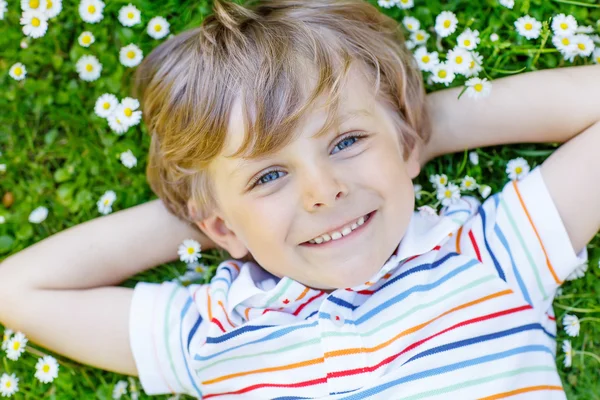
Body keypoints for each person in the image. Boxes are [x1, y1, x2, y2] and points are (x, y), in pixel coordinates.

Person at [1, 0, 599, 398]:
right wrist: (208, 218)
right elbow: (18, 289)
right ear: (222, 228)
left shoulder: (490, 255)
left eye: (347, 140)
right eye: (267, 177)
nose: (324, 190)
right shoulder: (213, 333)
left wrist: (418, 128)